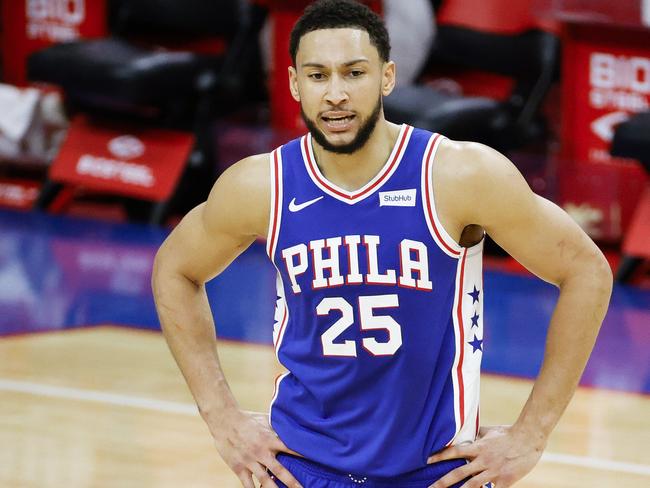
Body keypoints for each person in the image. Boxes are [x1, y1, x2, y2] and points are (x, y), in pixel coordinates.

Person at [151, 1, 612, 487]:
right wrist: (222, 419)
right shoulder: (262, 186)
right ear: (293, 83)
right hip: (302, 470)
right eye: (317, 75)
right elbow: (175, 269)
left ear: (387, 77)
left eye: (354, 73)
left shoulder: (458, 174)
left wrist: (531, 435)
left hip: (434, 472)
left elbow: (586, 270)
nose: (335, 94)